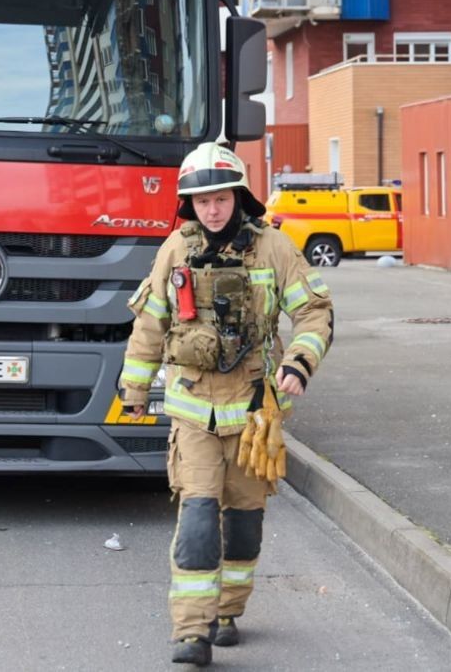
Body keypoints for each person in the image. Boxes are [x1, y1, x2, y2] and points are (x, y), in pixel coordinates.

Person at [118, 142, 334, 667]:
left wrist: (298, 364)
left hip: (254, 414)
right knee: (197, 517)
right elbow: (150, 324)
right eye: (202, 201)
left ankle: (227, 612)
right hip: (193, 414)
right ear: (189, 205)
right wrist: (134, 390)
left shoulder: (274, 248)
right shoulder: (176, 249)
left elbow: (314, 312)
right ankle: (191, 631)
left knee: (243, 522)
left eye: (220, 199)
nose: (212, 210)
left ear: (239, 197)